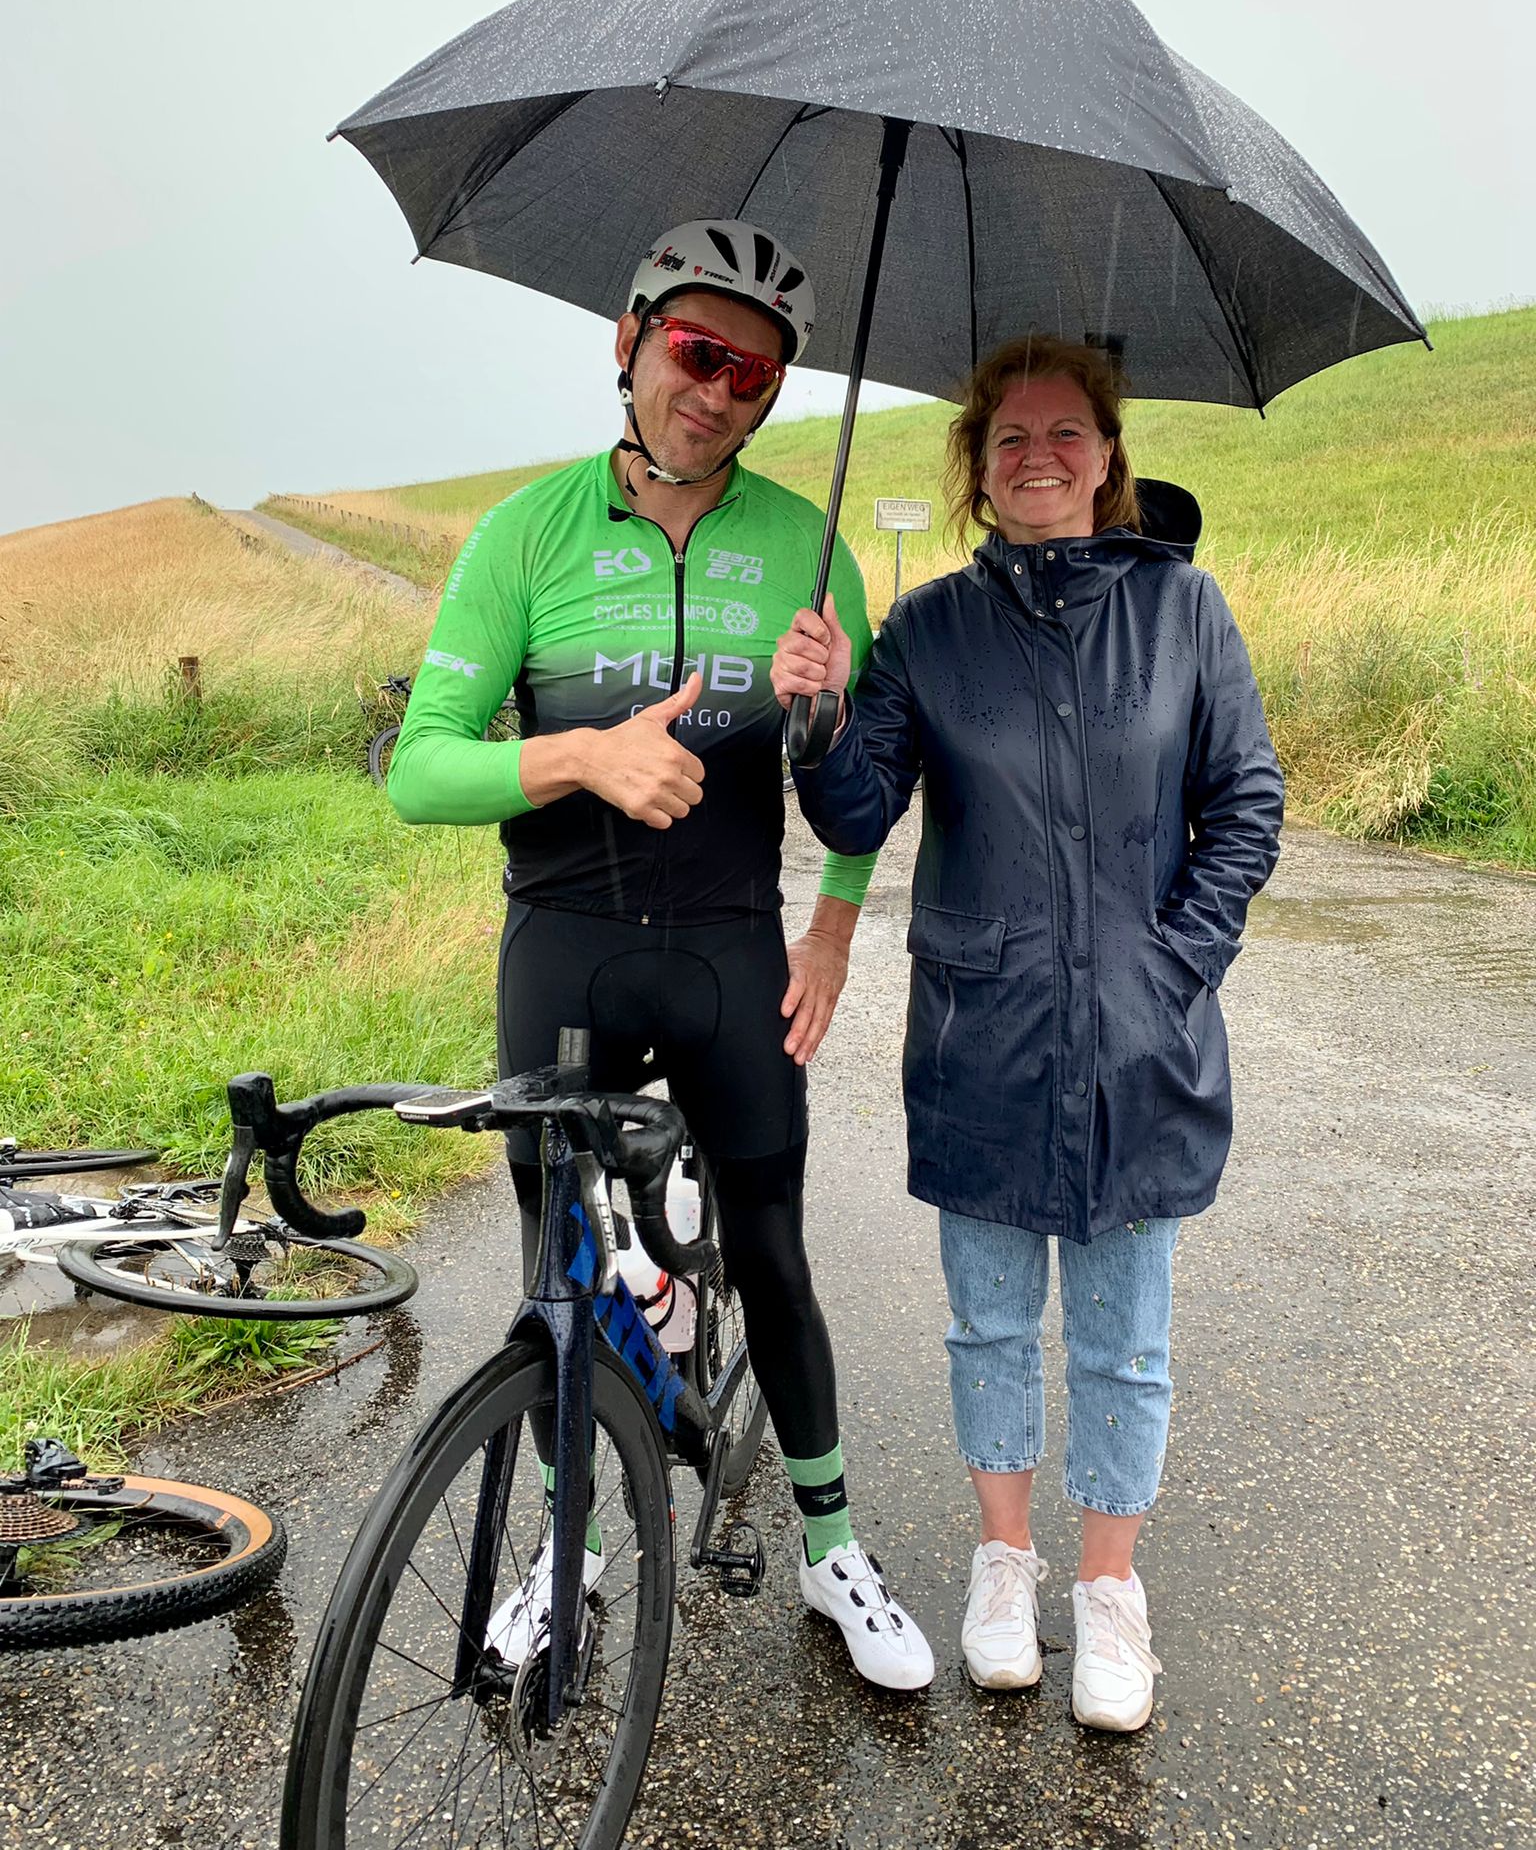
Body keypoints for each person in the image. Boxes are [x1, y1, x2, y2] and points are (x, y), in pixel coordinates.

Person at [387, 219, 934, 1691]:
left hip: (729, 951)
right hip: (563, 951)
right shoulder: (528, 532)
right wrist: (582, 757)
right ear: (627, 344)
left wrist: (833, 911)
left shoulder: (807, 549)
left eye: (756, 374)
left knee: (774, 1246)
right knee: (562, 1270)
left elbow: (852, 796)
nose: (720, 391)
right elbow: (421, 770)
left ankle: (831, 1548)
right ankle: (570, 1547)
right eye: (697, 351)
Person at [771, 333, 1283, 1728]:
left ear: (1108, 458)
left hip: (1139, 1041)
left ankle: (1109, 1590)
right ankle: (1005, 1565)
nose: (1039, 456)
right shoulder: (930, 629)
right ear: (979, 471)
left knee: (1125, 1337)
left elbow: (1246, 804)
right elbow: (859, 810)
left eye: (1066, 433)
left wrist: (1175, 968)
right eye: (1010, 438)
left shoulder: (1184, 611)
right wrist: (819, 713)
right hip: (981, 1036)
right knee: (989, 1324)